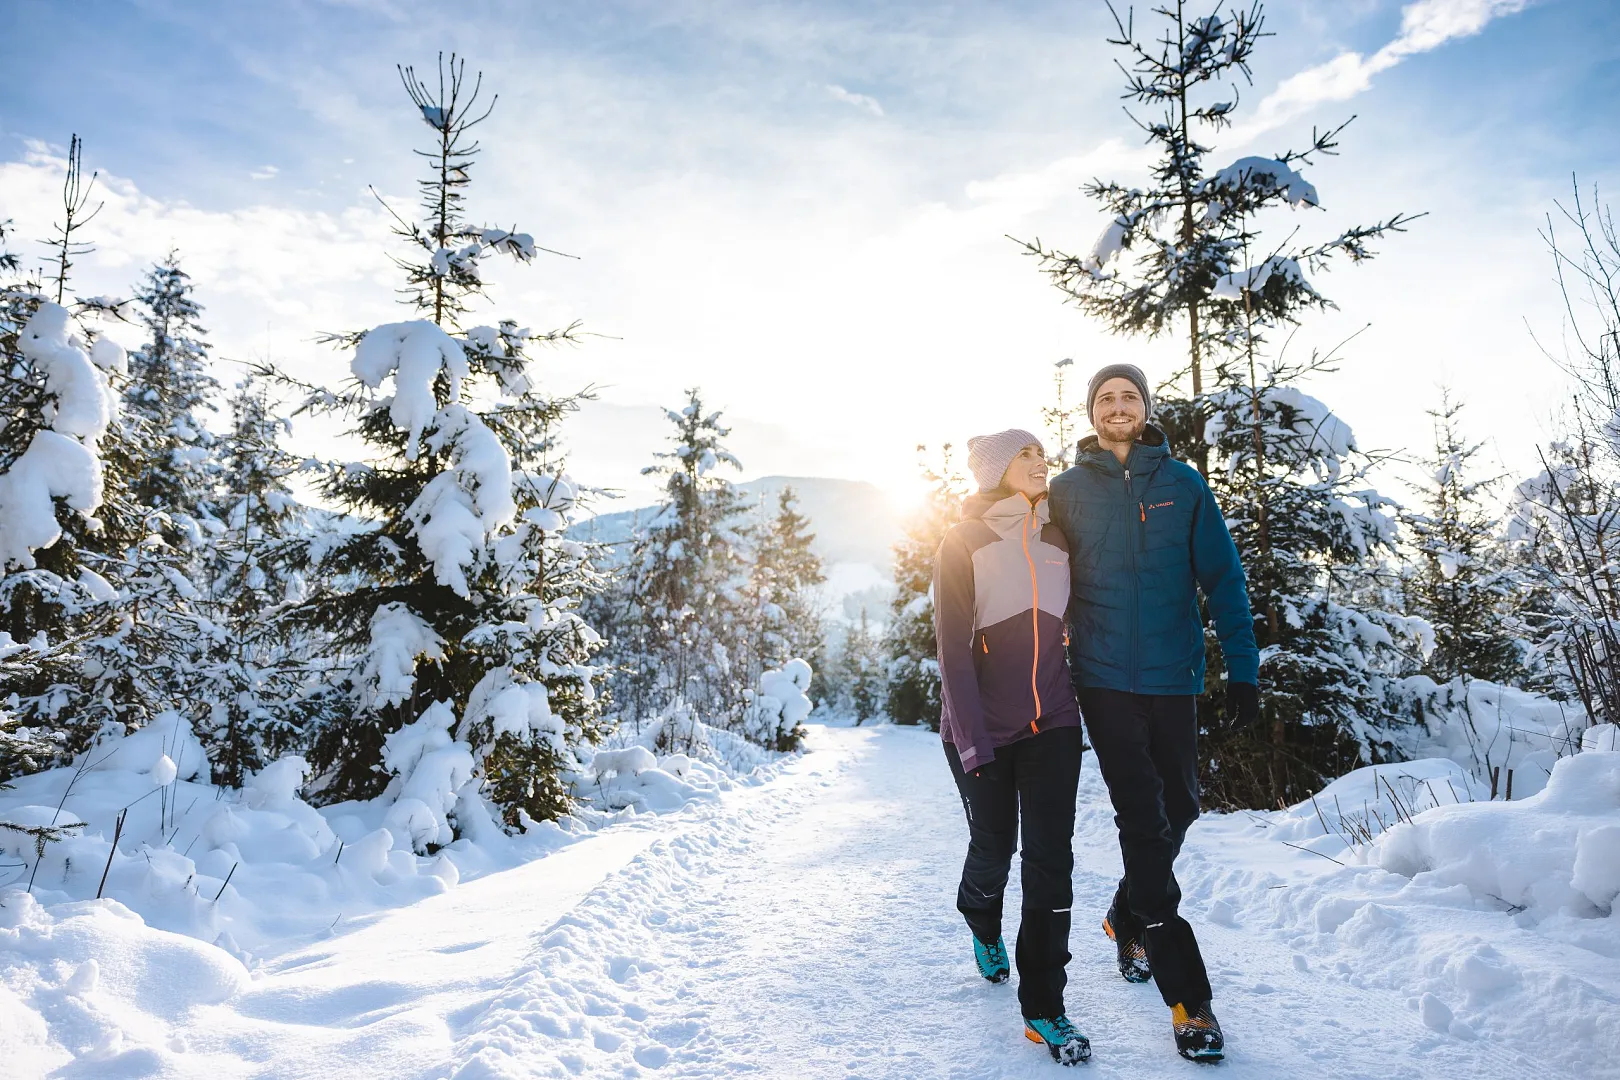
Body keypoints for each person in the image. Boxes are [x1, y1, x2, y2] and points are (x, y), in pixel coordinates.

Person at [1047, 364, 1261, 1063]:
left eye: (1128, 396)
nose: (1117, 406)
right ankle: (1189, 1000)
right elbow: (1042, 583)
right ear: (1092, 411)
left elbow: (1223, 576)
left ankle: (1124, 913)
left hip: (1175, 677)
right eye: (1105, 398)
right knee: (1143, 818)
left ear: (1144, 408)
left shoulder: (1184, 484)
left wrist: (1243, 671)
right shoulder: (1068, 492)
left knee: (1181, 806)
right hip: (1104, 679)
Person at [934, 429, 1091, 1066]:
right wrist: (973, 740)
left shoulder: (1059, 536)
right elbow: (951, 649)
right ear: (997, 470)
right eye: (1024, 455)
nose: (1039, 461)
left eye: (1040, 453)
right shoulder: (964, 540)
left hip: (1052, 721)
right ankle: (979, 913)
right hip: (982, 726)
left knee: (1050, 860)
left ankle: (1044, 1008)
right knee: (995, 843)